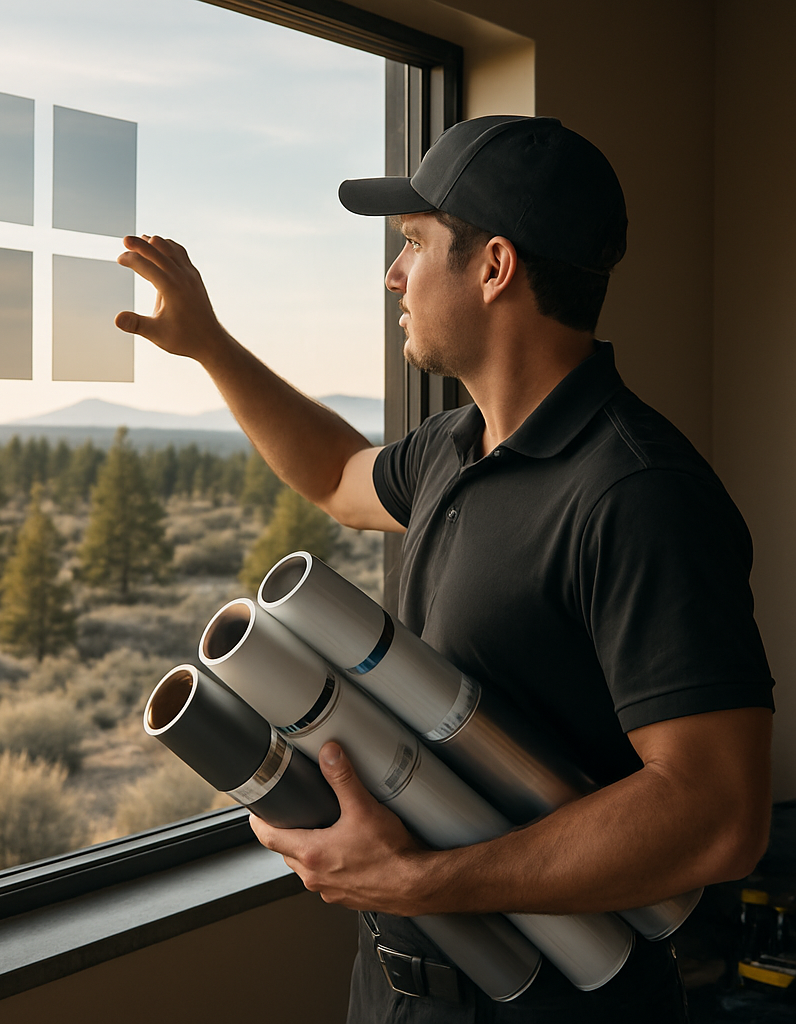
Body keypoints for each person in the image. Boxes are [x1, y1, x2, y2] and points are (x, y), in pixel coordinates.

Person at [114, 115, 775, 1023]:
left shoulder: (638, 492)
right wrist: (210, 345)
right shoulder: (453, 447)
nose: (394, 273)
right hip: (398, 995)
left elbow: (718, 813)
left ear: (495, 267)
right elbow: (336, 477)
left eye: (415, 245)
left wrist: (421, 880)